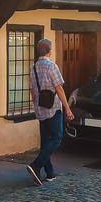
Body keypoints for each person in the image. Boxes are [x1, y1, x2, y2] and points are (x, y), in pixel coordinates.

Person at [27, 37, 74, 185]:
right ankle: (36, 165)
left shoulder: (33, 68)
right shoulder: (51, 66)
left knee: (46, 141)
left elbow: (32, 91)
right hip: (53, 108)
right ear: (49, 51)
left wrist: (36, 106)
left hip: (40, 108)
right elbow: (59, 88)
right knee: (57, 138)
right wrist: (67, 108)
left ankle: (50, 172)